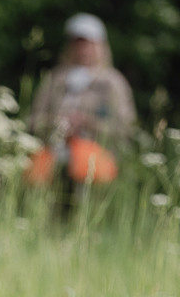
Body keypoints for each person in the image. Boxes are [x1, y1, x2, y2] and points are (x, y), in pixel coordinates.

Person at [27, 13, 136, 188]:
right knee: (34, 170)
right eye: (77, 44)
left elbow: (126, 127)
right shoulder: (55, 79)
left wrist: (87, 123)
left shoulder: (113, 83)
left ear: (100, 46)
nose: (83, 49)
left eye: (88, 44)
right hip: (53, 150)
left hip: (95, 153)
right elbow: (32, 120)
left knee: (84, 164)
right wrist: (56, 124)